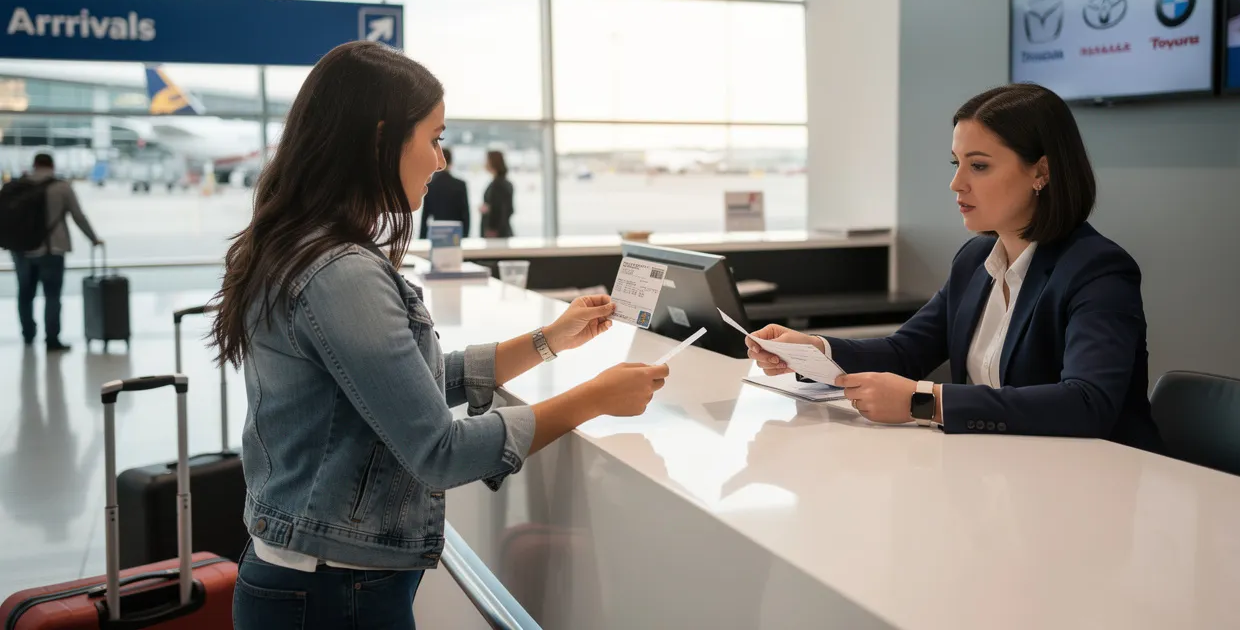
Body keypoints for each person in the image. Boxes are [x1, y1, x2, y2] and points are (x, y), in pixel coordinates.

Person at [211, 41, 668, 629]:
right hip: (332, 593)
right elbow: (437, 451)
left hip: (315, 580)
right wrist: (594, 399)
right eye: (434, 138)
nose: (440, 161)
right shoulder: (341, 272)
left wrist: (550, 339)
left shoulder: (306, 248)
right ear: (380, 140)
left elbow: (399, 387)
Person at [748, 83, 1162, 452]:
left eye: (978, 166)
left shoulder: (1098, 270)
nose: (957, 183)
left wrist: (924, 402)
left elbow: (1087, 403)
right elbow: (905, 350)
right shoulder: (973, 261)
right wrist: (815, 350)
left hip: (1093, 486)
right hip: (999, 472)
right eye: (956, 164)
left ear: (1041, 171)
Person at [7, 153, 101, 351]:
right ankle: (52, 339)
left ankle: (28, 335)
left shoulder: (18, 187)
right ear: (52, 165)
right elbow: (78, 216)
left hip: (22, 250)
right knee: (52, 295)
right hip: (52, 249)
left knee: (25, 294)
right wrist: (93, 238)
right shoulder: (61, 187)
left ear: (34, 165)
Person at [418, 146, 471, 238]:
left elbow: (425, 215)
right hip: (456, 233)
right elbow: (466, 214)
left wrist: (422, 238)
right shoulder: (460, 184)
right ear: (451, 162)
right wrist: (465, 236)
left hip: (437, 233)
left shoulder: (430, 185)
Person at [480, 149, 514, 238]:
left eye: (487, 160)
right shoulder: (501, 182)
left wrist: (492, 229)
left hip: (495, 232)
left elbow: (500, 209)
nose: (485, 163)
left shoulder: (499, 184)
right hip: (498, 231)